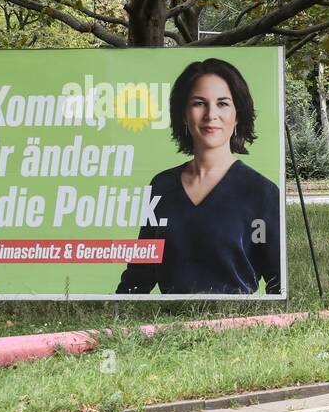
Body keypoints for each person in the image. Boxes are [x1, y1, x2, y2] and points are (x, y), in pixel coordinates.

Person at [117, 58, 282, 295]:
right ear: (183, 114)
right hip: (167, 326)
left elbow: (278, 282)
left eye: (223, 103)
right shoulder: (160, 187)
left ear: (237, 115)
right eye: (198, 103)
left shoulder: (262, 193)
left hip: (235, 325)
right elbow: (139, 274)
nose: (210, 114)